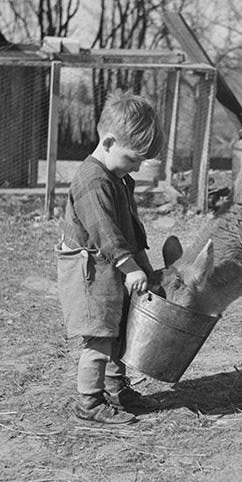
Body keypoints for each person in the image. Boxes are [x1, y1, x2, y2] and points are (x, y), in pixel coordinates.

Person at [56, 89, 164, 425]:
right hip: (91, 271)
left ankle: (116, 389)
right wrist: (129, 266)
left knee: (118, 329)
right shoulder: (92, 180)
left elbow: (130, 225)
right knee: (100, 336)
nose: (136, 166)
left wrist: (142, 262)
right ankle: (88, 403)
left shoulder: (118, 177)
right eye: (133, 158)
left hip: (112, 266)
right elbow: (104, 231)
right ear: (107, 142)